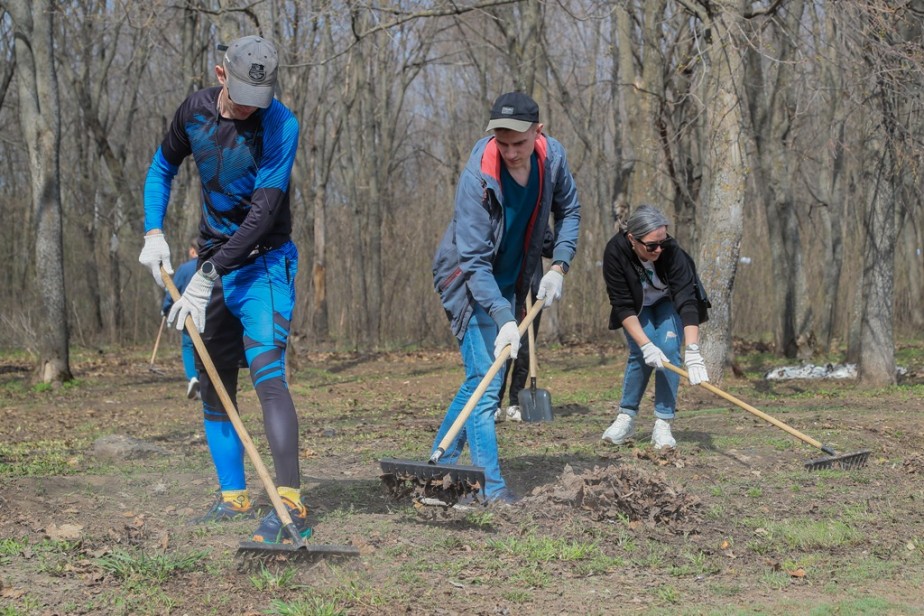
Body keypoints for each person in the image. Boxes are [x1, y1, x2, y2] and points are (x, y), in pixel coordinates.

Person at [138, 35, 308, 544]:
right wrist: (154, 233)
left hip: (264, 264)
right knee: (215, 383)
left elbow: (263, 215)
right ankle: (233, 496)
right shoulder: (193, 111)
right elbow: (161, 167)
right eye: (240, 96)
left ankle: (292, 504)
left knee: (267, 375)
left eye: (260, 97)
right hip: (213, 262)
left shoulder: (281, 123)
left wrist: (209, 274)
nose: (251, 109)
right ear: (220, 76)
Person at [432, 91, 581, 503]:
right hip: (467, 281)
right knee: (486, 382)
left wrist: (559, 266)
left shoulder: (552, 160)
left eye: (520, 142)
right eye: (503, 142)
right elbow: (474, 261)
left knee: (479, 379)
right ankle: (491, 491)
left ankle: (438, 464)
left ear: (539, 132)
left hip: (513, 280)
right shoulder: (478, 178)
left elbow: (569, 211)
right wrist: (503, 317)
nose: (512, 152)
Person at [600, 204, 710, 449]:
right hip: (637, 308)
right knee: (642, 352)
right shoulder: (615, 253)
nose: (659, 249)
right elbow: (622, 305)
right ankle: (626, 417)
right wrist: (646, 345)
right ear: (632, 239)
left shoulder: (671, 252)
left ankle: (663, 423)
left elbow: (687, 301)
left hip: (667, 302)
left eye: (663, 241)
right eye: (651, 245)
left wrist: (692, 350)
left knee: (670, 350)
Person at [495, 225, 554, 423]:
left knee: (526, 350)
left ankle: (515, 402)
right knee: (507, 349)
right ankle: (494, 402)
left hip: (533, 291)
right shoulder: (508, 220)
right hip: (508, 292)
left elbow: (550, 248)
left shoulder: (539, 220)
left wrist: (539, 229)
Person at [161, 238, 201, 400]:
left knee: (188, 346)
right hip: (212, 313)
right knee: (206, 346)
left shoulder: (184, 269)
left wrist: (165, 309)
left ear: (192, 251)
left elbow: (173, 290)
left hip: (189, 314)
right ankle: (205, 382)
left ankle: (193, 377)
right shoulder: (213, 265)